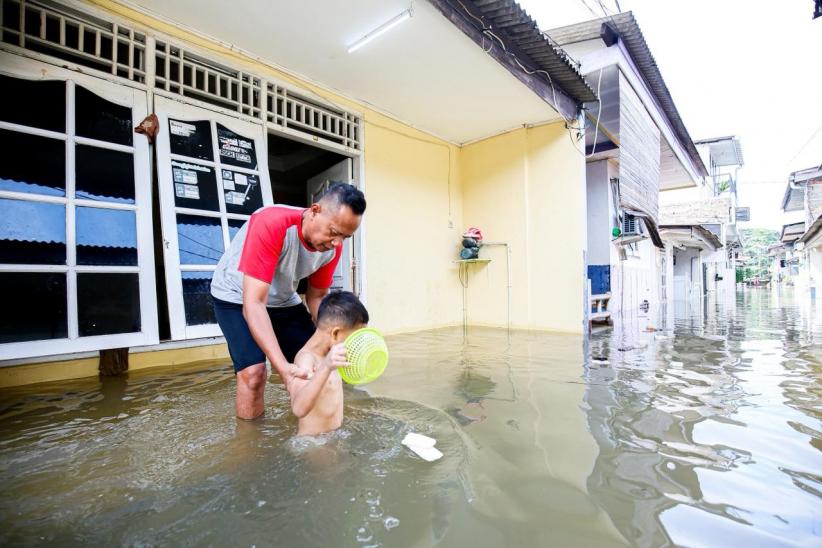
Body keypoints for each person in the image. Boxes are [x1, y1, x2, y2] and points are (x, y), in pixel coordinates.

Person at [210, 182, 366, 419]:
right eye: (334, 232)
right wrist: (282, 367)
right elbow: (254, 303)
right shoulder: (272, 223)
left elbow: (317, 297)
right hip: (236, 295)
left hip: (283, 298)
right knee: (254, 373)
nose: (337, 243)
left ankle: (317, 432)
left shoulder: (333, 248)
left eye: (345, 237)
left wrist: (335, 336)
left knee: (318, 361)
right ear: (314, 211)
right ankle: (250, 447)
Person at [286, 291, 368, 436]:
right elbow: (299, 409)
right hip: (314, 444)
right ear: (335, 333)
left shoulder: (333, 355)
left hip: (334, 436)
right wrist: (326, 367)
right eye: (354, 337)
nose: (356, 343)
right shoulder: (307, 359)